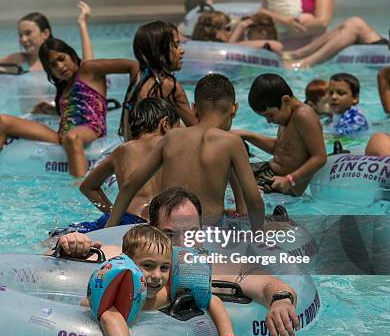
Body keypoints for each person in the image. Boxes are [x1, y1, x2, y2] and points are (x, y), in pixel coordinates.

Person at [57, 187, 300, 336]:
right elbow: (59, 259)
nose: (183, 244)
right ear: (151, 232)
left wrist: (280, 300)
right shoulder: (125, 259)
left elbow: (269, 283)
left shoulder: (210, 266)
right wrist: (71, 244)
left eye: (191, 234)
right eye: (170, 234)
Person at [83, 224, 245, 336]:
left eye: (164, 268)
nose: (157, 276)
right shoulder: (121, 294)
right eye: (148, 266)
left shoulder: (165, 295)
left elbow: (212, 300)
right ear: (128, 263)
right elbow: (109, 317)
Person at [106, 74, 265, 230]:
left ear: (195, 109)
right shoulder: (233, 142)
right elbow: (255, 202)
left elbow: (129, 186)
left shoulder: (171, 137)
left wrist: (109, 230)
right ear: (234, 109)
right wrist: (258, 234)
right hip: (205, 232)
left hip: (166, 231)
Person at [0, 37, 138, 176]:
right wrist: (51, 110)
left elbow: (133, 66)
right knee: (2, 121)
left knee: (72, 138)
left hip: (91, 129)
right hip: (62, 134)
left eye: (61, 58)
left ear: (71, 55)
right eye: (53, 65)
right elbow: (74, 111)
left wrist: (133, 102)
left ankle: (77, 189)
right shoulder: (64, 85)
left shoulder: (89, 70)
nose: (60, 66)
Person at [50, 99, 181, 236]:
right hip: (164, 222)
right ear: (165, 124)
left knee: (58, 236)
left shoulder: (123, 150)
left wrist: (114, 213)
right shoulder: (175, 147)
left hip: (127, 220)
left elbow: (87, 187)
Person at [235, 74, 327, 195]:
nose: (268, 121)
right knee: (226, 170)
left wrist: (290, 180)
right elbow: (280, 148)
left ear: (285, 100)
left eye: (270, 115)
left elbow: (320, 157)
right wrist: (247, 135)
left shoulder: (303, 115)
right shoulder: (287, 114)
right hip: (270, 172)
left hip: (283, 184)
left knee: (231, 185)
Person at [119, 21, 196, 140]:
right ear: (160, 52)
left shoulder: (139, 79)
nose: (182, 51)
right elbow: (196, 128)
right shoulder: (168, 85)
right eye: (175, 46)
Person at [0, 2, 93, 74]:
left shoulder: (60, 59)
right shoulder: (18, 60)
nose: (23, 39)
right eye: (20, 35)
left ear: (45, 33)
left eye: (28, 33)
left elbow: (89, 69)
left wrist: (82, 23)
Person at [192, 11, 284, 57]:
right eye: (228, 29)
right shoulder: (216, 53)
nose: (231, 32)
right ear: (217, 33)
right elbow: (276, 45)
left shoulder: (193, 50)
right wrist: (240, 27)